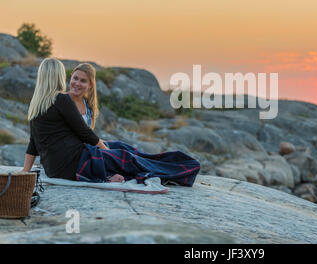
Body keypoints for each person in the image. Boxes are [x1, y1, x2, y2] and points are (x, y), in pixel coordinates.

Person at [22, 59, 200, 186]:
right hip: (73, 163)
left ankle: (110, 174)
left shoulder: (37, 103)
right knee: (125, 157)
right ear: (59, 76)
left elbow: (33, 142)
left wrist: (25, 171)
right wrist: (107, 151)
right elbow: (84, 132)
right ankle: (182, 170)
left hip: (60, 166)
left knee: (121, 146)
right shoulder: (61, 99)